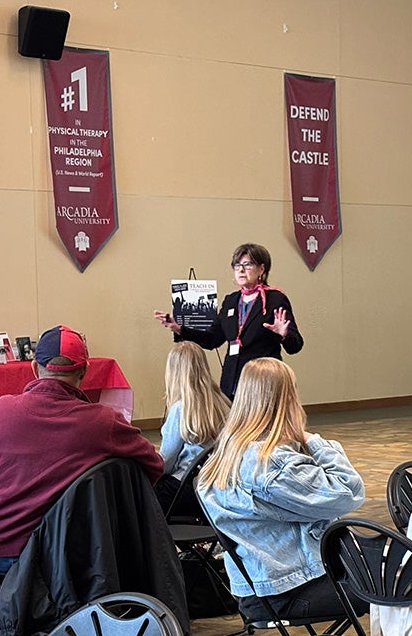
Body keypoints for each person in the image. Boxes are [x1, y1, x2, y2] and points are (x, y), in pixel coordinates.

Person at [0, 325, 164, 635]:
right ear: (84, 372)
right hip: (56, 565)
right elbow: (153, 466)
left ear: (34, 368)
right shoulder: (102, 421)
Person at [197, 357, 368, 622]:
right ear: (288, 398)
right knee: (401, 589)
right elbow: (348, 491)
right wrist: (311, 439)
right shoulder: (271, 462)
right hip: (290, 590)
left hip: (259, 587)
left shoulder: (227, 452)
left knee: (398, 572)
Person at [154, 243, 303, 398]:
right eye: (237, 265)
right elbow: (212, 339)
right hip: (232, 383)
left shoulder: (275, 299)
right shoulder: (231, 300)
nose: (240, 269)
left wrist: (283, 334)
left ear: (261, 269)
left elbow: (296, 345)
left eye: (248, 264)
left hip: (262, 383)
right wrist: (179, 328)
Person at [154, 342, 231, 516]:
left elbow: (165, 463)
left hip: (184, 490)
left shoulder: (180, 409)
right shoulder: (223, 403)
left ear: (173, 373)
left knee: (136, 494)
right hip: (215, 488)